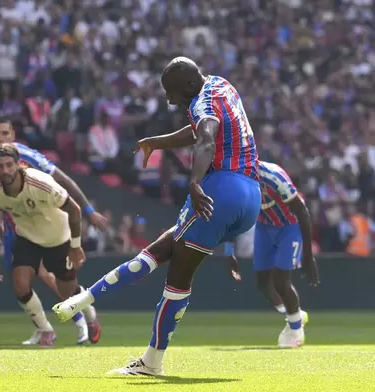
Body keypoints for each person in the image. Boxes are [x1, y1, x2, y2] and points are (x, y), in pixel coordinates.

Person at [53, 57, 317, 376]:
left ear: (190, 85)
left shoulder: (200, 102)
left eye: (173, 92)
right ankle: (84, 300)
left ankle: (151, 361)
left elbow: (205, 136)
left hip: (221, 187)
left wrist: (193, 182)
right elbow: (200, 132)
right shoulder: (222, 85)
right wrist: (158, 142)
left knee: (177, 275)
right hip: (250, 197)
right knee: (163, 247)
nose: (169, 99)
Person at [0, 117, 106, 345]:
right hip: (27, 237)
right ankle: (44, 329)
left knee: (67, 290)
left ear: (19, 165)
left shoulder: (41, 182)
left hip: (58, 237)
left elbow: (74, 210)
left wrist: (76, 246)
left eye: (9, 165)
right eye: (0, 167)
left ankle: (89, 314)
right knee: (20, 284)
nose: (5, 170)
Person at [225, 160, 317, 348]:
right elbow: (232, 216)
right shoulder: (235, 182)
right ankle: (295, 315)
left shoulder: (274, 176)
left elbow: (302, 211)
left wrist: (308, 256)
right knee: (263, 282)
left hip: (289, 226)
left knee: (281, 280)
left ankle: (295, 330)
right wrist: (229, 252)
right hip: (264, 226)